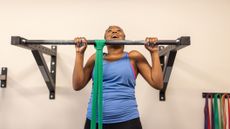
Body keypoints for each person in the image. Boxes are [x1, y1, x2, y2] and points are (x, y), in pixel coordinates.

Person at [72, 25, 163, 129]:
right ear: (105, 38)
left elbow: (158, 83)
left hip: (127, 120)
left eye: (118, 31)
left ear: (124, 37)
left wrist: (154, 52)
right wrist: (79, 53)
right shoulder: (96, 57)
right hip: (95, 120)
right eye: (109, 31)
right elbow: (77, 85)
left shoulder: (133, 56)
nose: (114, 32)